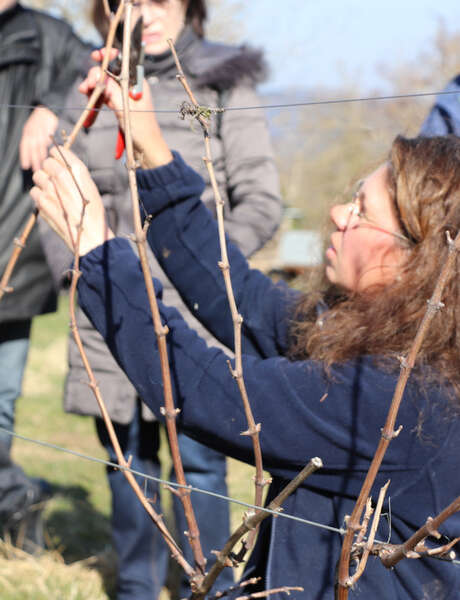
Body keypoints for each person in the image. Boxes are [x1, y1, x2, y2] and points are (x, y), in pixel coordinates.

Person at [31, 63, 460, 599]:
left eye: (361, 209)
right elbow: (240, 300)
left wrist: (96, 253)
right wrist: (151, 147)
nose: (336, 212)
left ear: (415, 261)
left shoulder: (401, 397)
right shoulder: (365, 336)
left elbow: (213, 394)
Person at [42, 0, 282, 597]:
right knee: (127, 461)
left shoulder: (223, 82)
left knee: (200, 462)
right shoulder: (89, 83)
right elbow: (57, 185)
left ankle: (210, 583)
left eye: (163, 0)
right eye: (135, 0)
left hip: (198, 311)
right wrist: (81, 269)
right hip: (109, 306)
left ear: (189, 8)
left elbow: (260, 200)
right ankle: (137, 586)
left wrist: (203, 263)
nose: (148, 13)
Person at [0, 0, 91, 549]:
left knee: (1, 396)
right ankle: (16, 500)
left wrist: (51, 107)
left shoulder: (48, 35)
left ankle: (13, 512)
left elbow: (95, 70)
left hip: (13, 253)